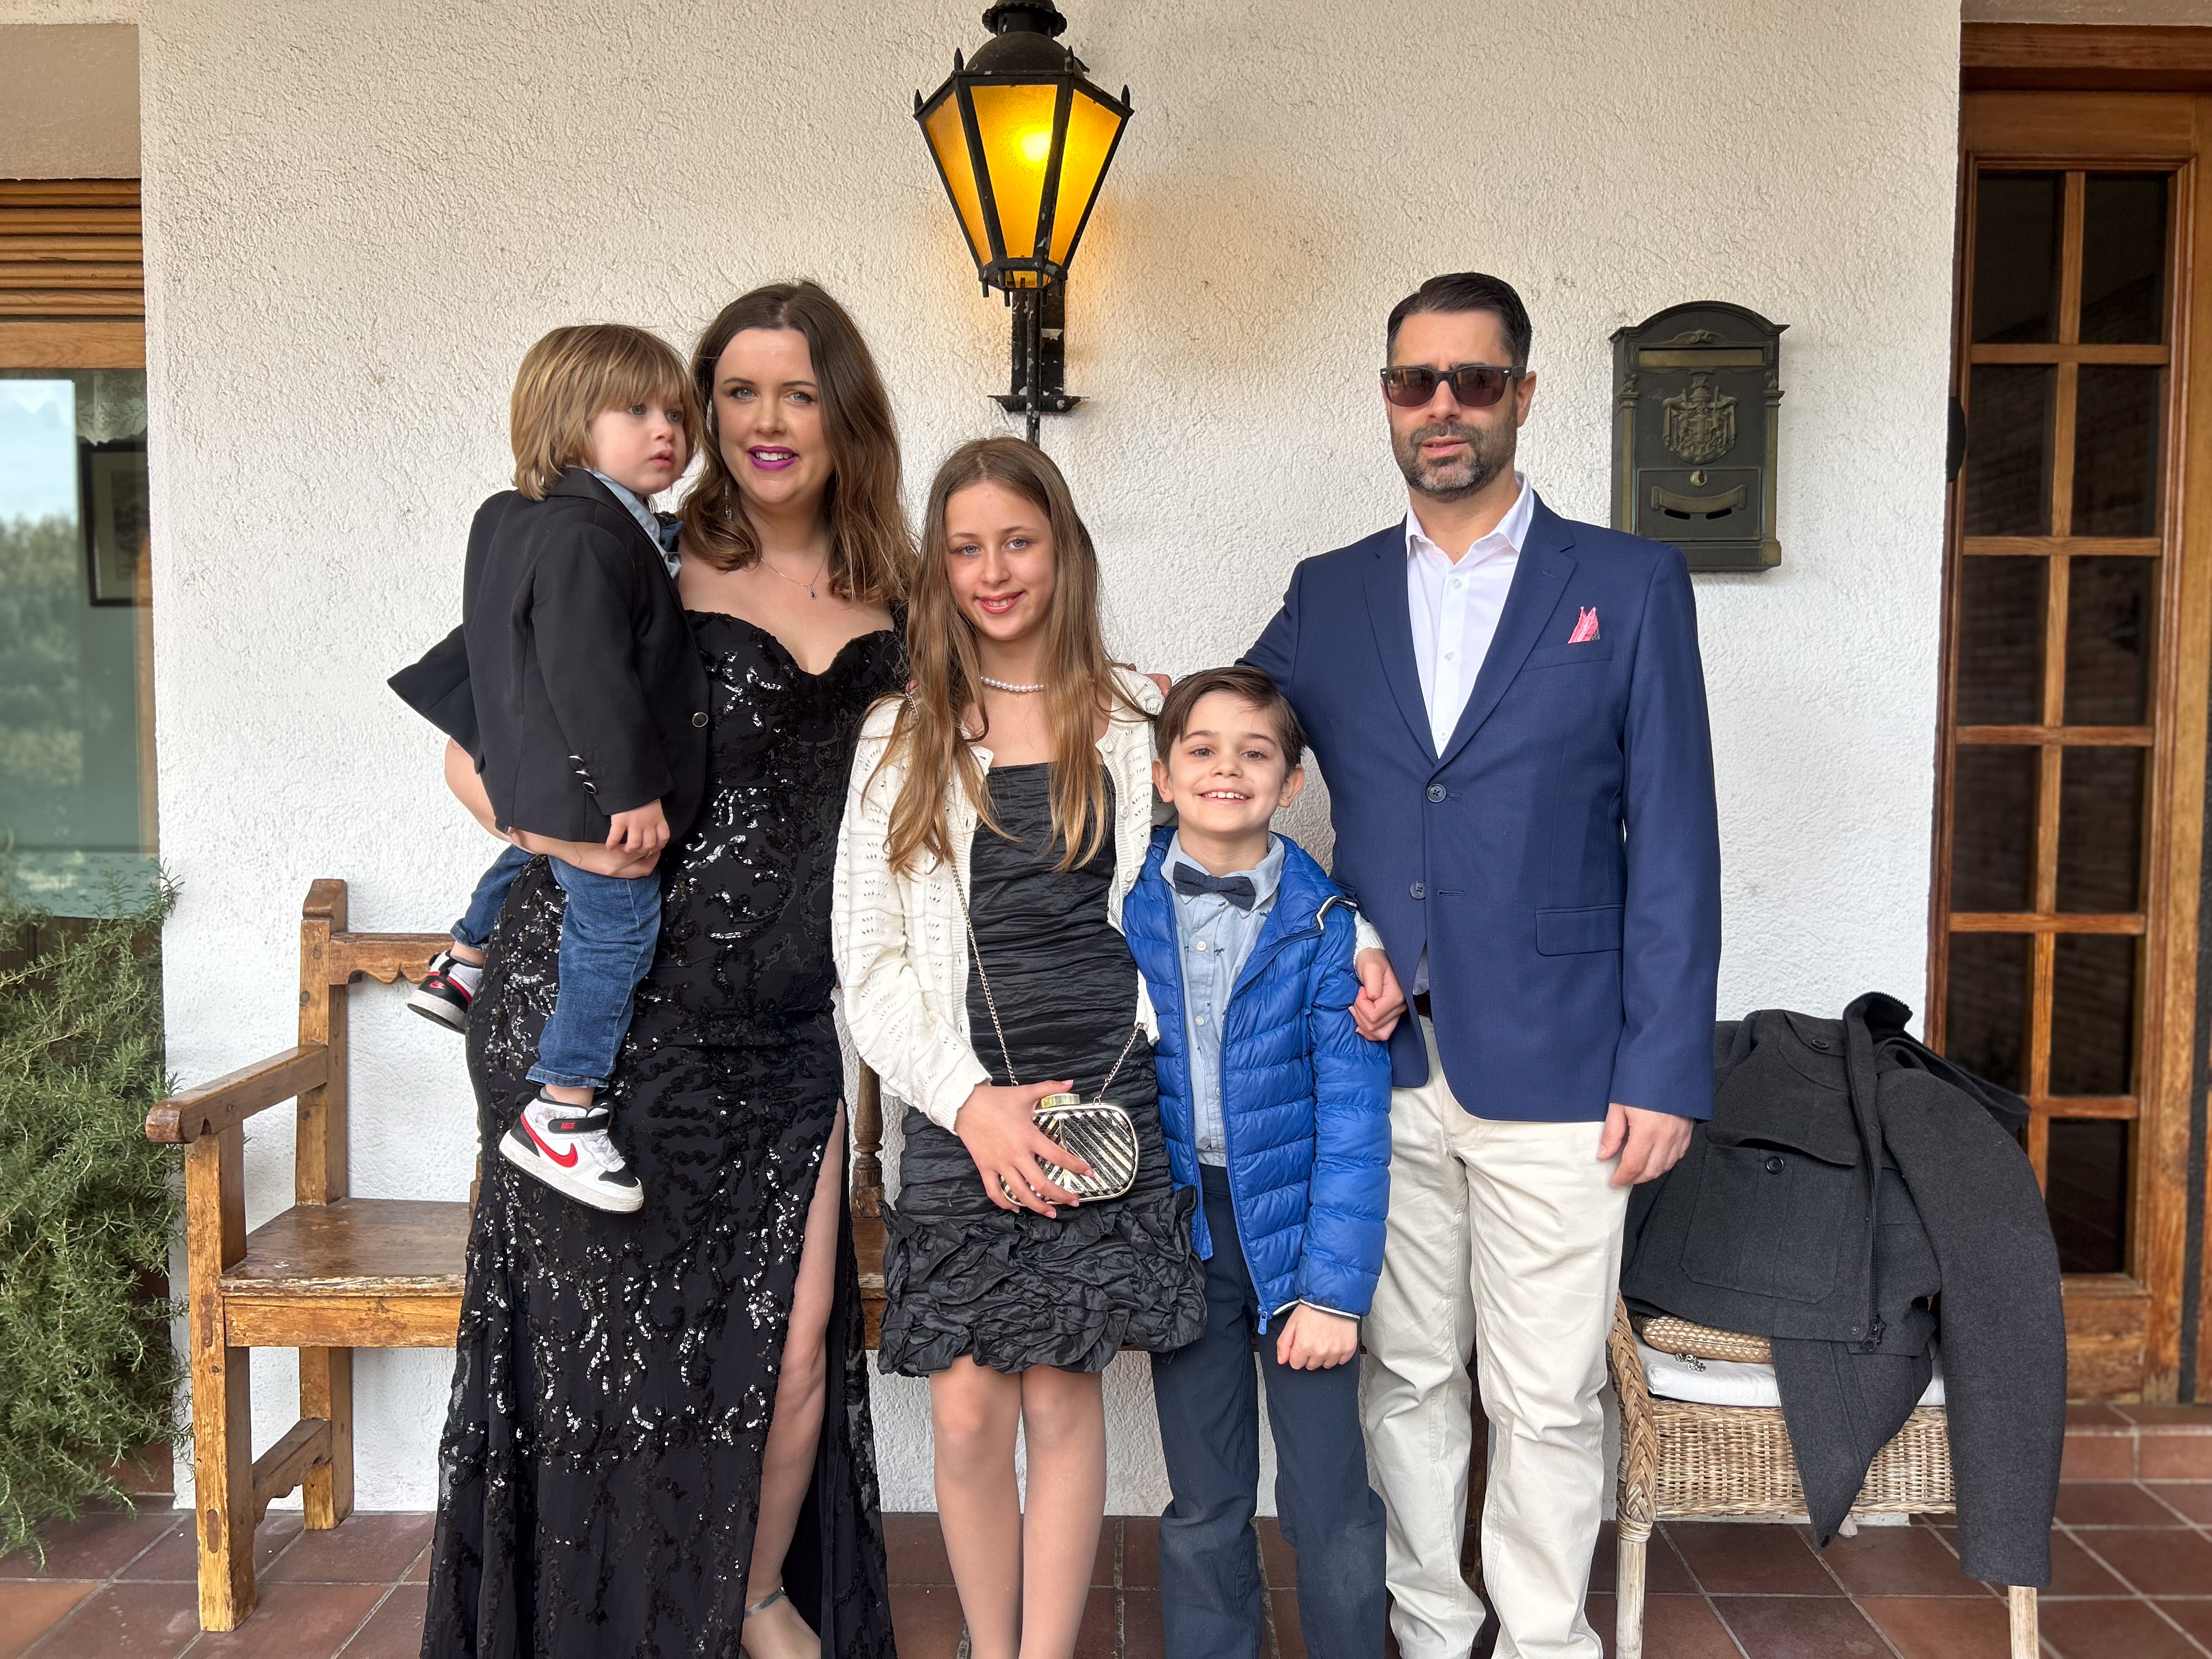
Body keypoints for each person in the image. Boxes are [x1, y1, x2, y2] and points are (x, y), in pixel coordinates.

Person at [415, 280, 909, 1659]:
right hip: (603, 1021)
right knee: (597, 1379)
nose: (763, 421)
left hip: (785, 1035)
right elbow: (474, 739)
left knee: (798, 1341)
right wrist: (567, 841)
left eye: (796, 392)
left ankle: (749, 1597)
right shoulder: (627, 552)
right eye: (735, 392)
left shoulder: (901, 588)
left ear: (842, 411)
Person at [1244, 271, 1722, 1659]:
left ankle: (1544, 1633)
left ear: (1522, 393)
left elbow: (1678, 836)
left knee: (1549, 1393)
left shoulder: (1628, 582)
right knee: (1404, 1376)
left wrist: (1665, 1064)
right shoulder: (1328, 595)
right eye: (1414, 383)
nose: (1440, 407)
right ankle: (1436, 1627)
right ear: (1387, 401)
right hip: (1382, 1054)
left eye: (1471, 380)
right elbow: (1222, 744)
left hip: (1569, 1062)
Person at [833, 436, 1206, 1659]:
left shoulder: (1140, 723)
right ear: (939, 571)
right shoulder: (900, 735)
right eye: (966, 548)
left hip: (1100, 1104)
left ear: (1064, 549)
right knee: (967, 1412)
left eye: (1019, 542)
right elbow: (871, 963)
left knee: (1063, 1390)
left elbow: (1216, 885)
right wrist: (970, 1103)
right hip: (960, 1109)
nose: (995, 571)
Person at [392, 322, 706, 1213]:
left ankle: (465, 955)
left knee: (540, 847)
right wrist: (631, 792)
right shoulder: (588, 538)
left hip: (534, 768)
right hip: (592, 785)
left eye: (677, 414)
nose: (667, 431)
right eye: (638, 410)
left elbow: (501, 644)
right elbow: (588, 673)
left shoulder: (521, 517)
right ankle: (563, 1111)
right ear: (569, 421)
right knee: (618, 923)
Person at [1121, 665, 1391, 1659]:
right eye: (1202, 749)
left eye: (1255, 752)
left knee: (1328, 1497)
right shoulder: (1122, 905)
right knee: (1204, 1497)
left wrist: (1335, 1295)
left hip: (1299, 1237)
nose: (1226, 769)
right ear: (1160, 776)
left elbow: (1357, 1127)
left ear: (1292, 784)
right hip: (1182, 1232)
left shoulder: (1330, 933)